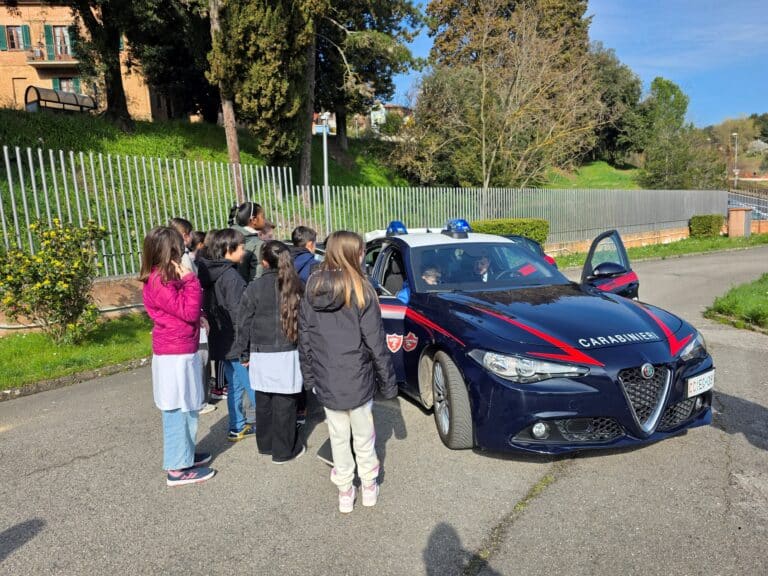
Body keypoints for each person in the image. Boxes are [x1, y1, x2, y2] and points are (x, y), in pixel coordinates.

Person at [299, 230, 397, 513]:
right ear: (353, 254)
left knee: (338, 436)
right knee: (364, 436)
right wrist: (388, 384)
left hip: (326, 376)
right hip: (357, 375)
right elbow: (376, 342)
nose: (364, 255)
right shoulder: (361, 288)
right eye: (362, 251)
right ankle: (368, 485)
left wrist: (309, 378)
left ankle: (345, 491)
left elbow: (304, 340)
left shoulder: (312, 287)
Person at [139, 226, 215, 486]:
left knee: (188, 405)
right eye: (178, 246)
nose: (183, 249)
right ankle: (177, 468)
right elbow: (187, 311)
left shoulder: (164, 277)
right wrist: (192, 282)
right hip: (175, 354)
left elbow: (184, 309)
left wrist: (198, 313)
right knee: (177, 408)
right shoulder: (158, 280)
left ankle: (185, 455)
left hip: (181, 348)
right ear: (168, 251)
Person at [236, 241, 305, 464]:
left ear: (264, 262)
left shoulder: (254, 288)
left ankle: (265, 445)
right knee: (285, 402)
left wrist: (244, 354)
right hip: (289, 352)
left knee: (263, 400)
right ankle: (283, 450)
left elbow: (243, 323)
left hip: (260, 352)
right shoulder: (297, 286)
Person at [198, 229, 256, 442]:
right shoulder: (231, 277)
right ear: (228, 249)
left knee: (235, 386)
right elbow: (240, 314)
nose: (244, 251)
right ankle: (270, 427)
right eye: (241, 247)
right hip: (237, 341)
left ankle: (237, 426)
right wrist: (246, 347)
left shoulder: (208, 272)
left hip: (222, 340)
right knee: (254, 385)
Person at [229, 201, 266, 283]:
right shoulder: (257, 244)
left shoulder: (227, 236)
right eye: (263, 217)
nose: (265, 220)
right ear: (254, 220)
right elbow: (257, 278)